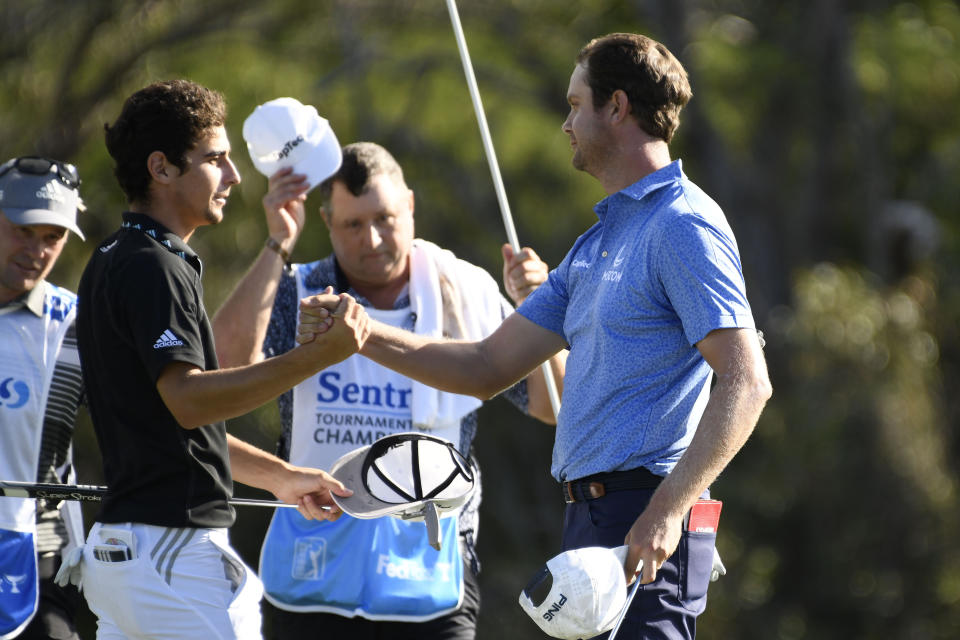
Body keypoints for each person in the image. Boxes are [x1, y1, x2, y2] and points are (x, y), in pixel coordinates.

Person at [299, 33, 772, 639]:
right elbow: (487, 365)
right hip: (592, 519)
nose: (566, 123)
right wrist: (362, 334)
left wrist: (667, 510)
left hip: (647, 516)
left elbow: (747, 380)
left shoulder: (684, 224)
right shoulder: (594, 245)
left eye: (576, 104)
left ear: (618, 107)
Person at [212, 141, 565, 640]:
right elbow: (216, 380)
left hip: (433, 571)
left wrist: (538, 308)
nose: (372, 239)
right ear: (327, 222)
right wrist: (277, 245)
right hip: (313, 566)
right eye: (353, 224)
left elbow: (555, 407)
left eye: (385, 217)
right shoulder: (299, 291)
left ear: (411, 207)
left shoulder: (466, 289)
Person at [73, 79, 370, 640]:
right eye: (216, 159)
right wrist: (315, 357)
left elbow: (175, 425)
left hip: (130, 553)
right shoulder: (153, 265)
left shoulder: (116, 256)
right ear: (160, 168)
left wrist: (280, 477)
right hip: (171, 555)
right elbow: (190, 402)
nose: (234, 177)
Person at [0, 156, 88, 639]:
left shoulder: (77, 323)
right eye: (22, 230)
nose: (37, 250)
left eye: (53, 236)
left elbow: (154, 420)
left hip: (38, 564)